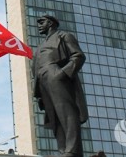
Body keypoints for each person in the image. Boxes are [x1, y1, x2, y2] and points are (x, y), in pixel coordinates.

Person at [32, 15, 88, 156]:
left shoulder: (64, 36)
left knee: (66, 112)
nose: (39, 25)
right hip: (42, 80)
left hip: (56, 74)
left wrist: (62, 73)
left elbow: (78, 56)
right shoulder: (40, 46)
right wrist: (39, 93)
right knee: (54, 116)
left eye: (42, 22)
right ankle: (63, 150)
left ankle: (72, 150)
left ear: (50, 23)